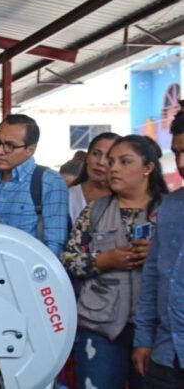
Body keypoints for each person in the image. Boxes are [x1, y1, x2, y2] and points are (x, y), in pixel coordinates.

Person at [61, 135, 168, 389]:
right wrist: (104, 260)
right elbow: (68, 260)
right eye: (111, 161)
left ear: (148, 168)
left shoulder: (170, 210)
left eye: (124, 161)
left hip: (158, 328)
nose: (113, 168)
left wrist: (158, 255)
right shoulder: (95, 211)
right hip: (100, 327)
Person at [132, 107, 184, 388]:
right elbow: (153, 276)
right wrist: (143, 338)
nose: (181, 162)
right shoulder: (171, 206)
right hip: (166, 353)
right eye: (176, 152)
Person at [0, 114, 69, 257]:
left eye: (10, 146)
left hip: (26, 273)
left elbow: (55, 244)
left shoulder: (48, 181)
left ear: (30, 150)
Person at [67, 132, 121, 223]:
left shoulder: (124, 199)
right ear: (87, 156)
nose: (101, 162)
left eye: (109, 158)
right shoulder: (68, 196)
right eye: (96, 154)